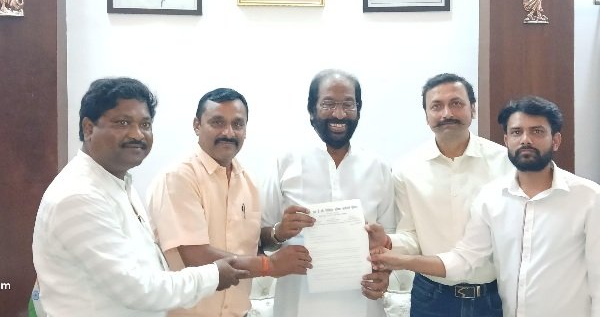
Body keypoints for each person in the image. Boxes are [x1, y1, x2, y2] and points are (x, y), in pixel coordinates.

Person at [32, 78, 249, 317]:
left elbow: (148, 270)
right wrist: (214, 274)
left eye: (145, 124)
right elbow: (138, 289)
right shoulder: (79, 197)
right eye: (123, 122)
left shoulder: (118, 183)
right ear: (88, 128)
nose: (137, 134)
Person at [370, 96, 600, 317]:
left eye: (537, 131)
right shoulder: (492, 197)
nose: (526, 140)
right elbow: (466, 260)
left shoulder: (589, 198)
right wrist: (398, 260)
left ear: (556, 140)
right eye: (516, 132)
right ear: (506, 141)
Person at [146, 88, 312, 317]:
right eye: (217, 122)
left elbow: (249, 244)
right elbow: (195, 256)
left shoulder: (248, 181)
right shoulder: (178, 178)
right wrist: (269, 265)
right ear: (197, 125)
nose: (228, 132)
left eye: (238, 124)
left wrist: (278, 232)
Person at [367, 73, 514, 317]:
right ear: (426, 116)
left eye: (456, 103)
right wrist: (388, 242)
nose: (447, 113)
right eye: (436, 106)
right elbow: (411, 237)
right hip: (432, 297)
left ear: (473, 109)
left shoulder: (506, 163)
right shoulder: (406, 169)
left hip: (494, 295)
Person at [260, 69, 396, 317]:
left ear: (358, 109)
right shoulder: (285, 163)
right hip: (296, 306)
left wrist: (385, 274)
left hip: (364, 305)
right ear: (311, 109)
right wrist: (279, 232)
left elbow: (390, 241)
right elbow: (259, 237)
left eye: (348, 104)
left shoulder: (378, 168)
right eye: (328, 104)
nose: (339, 114)